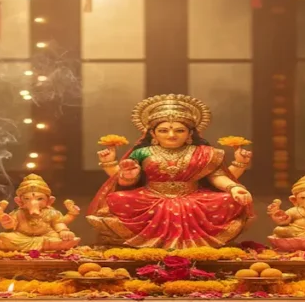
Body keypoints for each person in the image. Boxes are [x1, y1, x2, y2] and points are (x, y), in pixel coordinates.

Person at [86, 94, 254, 249]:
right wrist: (128, 175)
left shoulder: (204, 153)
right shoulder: (142, 152)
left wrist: (233, 188)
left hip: (194, 198)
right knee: (117, 198)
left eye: (179, 130)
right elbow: (124, 182)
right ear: (153, 133)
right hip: (150, 197)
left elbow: (216, 176)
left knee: (228, 200)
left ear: (190, 133)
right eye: (163, 130)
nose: (171, 135)